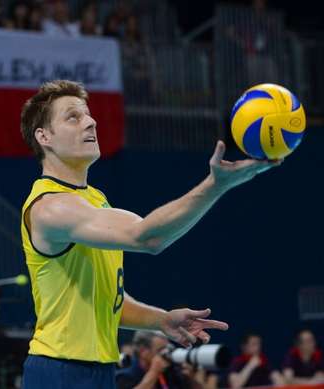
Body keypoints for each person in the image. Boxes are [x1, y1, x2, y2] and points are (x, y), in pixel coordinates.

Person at [20, 79, 280, 388]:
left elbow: (109, 300)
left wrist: (161, 321)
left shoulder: (95, 200)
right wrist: (217, 185)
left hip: (98, 370)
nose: (90, 122)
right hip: (59, 371)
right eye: (73, 117)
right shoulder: (50, 207)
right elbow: (147, 238)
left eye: (88, 114)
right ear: (44, 136)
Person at [116, 330, 202, 389]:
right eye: (161, 350)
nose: (166, 353)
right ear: (143, 351)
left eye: (167, 348)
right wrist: (154, 372)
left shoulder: (170, 371)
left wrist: (191, 378)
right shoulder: (123, 375)